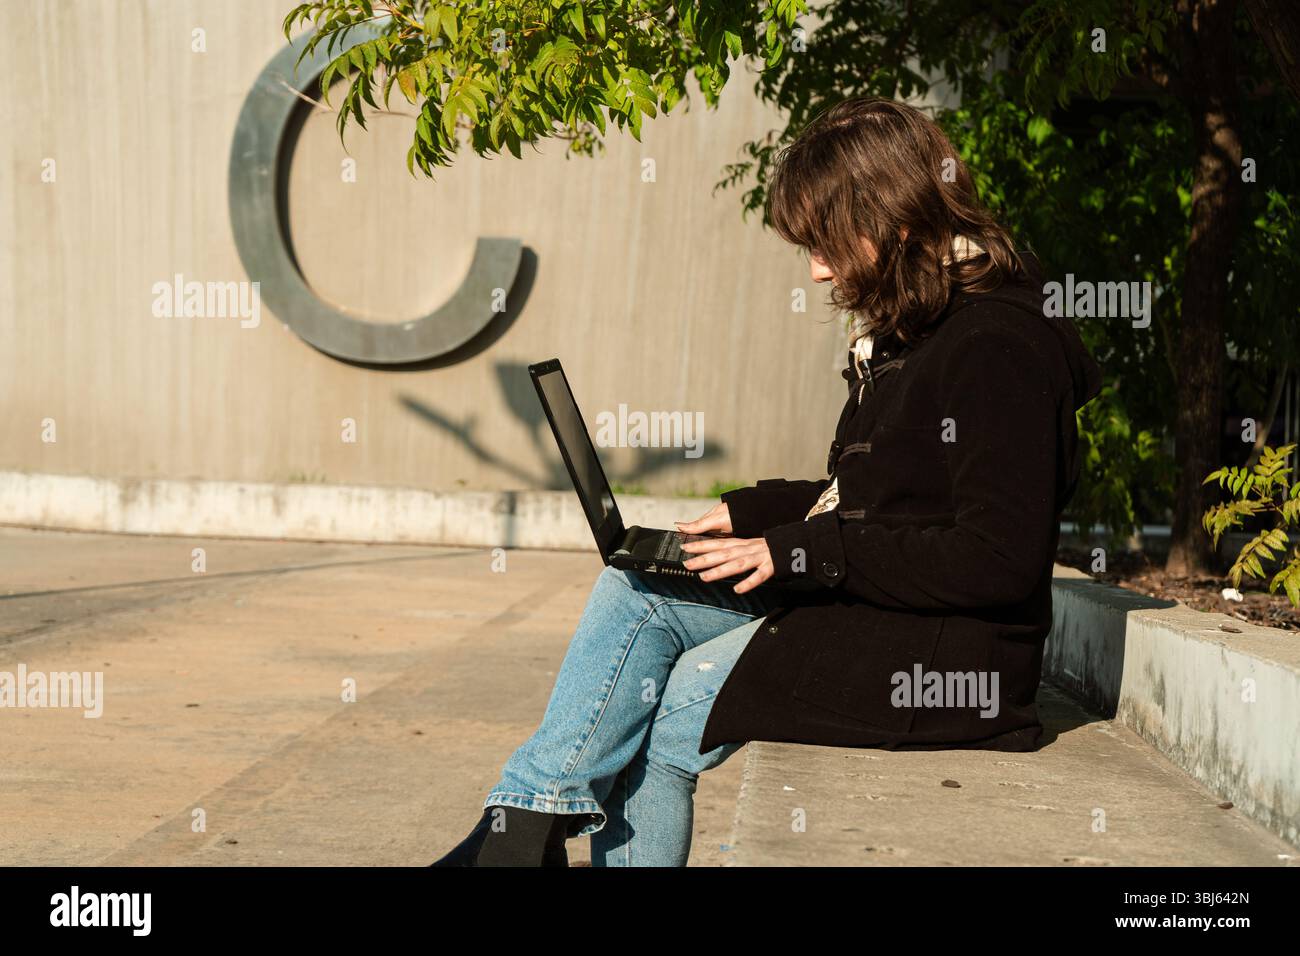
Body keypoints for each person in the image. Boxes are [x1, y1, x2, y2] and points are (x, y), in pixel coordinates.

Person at [432, 96, 1102, 867]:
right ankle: (525, 827)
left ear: (893, 221)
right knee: (636, 590)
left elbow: (995, 557)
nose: (817, 270)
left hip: (948, 661)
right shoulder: (920, 323)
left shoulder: (994, 346)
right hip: (887, 610)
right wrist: (746, 513)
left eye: (825, 244)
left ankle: (513, 843)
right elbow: (878, 491)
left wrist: (795, 554)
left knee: (662, 721)